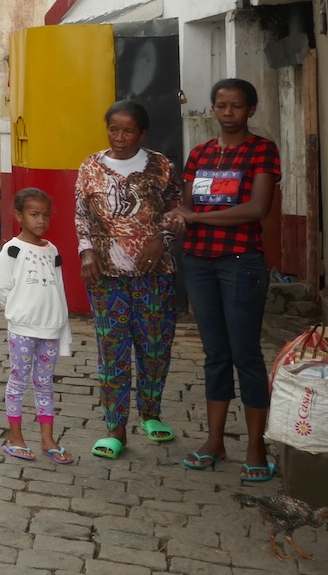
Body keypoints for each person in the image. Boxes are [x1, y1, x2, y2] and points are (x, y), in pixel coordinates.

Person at [175, 78, 280, 481]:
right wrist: (176, 217)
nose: (228, 113)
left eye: (236, 106)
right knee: (216, 354)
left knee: (246, 354)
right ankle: (214, 441)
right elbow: (186, 206)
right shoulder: (200, 153)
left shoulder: (262, 150)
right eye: (221, 106)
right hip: (199, 263)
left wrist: (196, 218)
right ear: (214, 109)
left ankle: (256, 446)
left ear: (251, 110)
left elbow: (257, 208)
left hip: (241, 264)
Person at [75, 100, 181, 461]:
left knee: (154, 347)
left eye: (128, 130)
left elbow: (176, 212)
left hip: (155, 274)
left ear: (142, 133)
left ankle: (150, 413)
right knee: (112, 349)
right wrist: (86, 251)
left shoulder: (161, 166)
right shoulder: (91, 166)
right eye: (113, 129)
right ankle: (115, 426)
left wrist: (161, 238)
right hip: (106, 275)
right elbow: (81, 215)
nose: (119, 137)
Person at [0, 187, 74, 464]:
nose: (41, 221)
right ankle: (15, 437)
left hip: (50, 330)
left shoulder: (52, 250)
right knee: (18, 380)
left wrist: (62, 328)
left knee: (44, 384)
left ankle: (47, 439)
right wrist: (20, 312)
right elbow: (1, 288)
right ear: (19, 215)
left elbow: (59, 290)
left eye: (46, 215)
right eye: (34, 214)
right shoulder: (12, 250)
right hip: (23, 329)